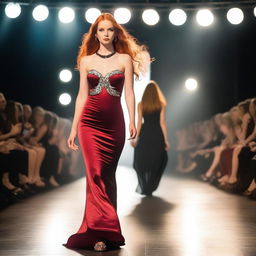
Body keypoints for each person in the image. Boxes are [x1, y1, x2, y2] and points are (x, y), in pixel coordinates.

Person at [63, 13, 149, 251]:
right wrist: (73, 128)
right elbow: (81, 96)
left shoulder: (124, 60)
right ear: (95, 34)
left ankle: (105, 233)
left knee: (106, 177)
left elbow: (130, 93)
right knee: (95, 174)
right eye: (101, 30)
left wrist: (133, 121)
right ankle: (101, 232)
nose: (106, 34)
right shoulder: (86, 61)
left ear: (116, 33)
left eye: (110, 30)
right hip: (88, 124)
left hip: (114, 125)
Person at [131, 81, 170, 196]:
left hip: (145, 133)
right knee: (157, 160)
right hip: (157, 134)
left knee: (142, 160)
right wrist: (166, 140)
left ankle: (146, 186)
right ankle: (150, 187)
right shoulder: (161, 104)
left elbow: (139, 123)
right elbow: (162, 123)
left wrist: (135, 138)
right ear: (157, 92)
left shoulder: (141, 104)